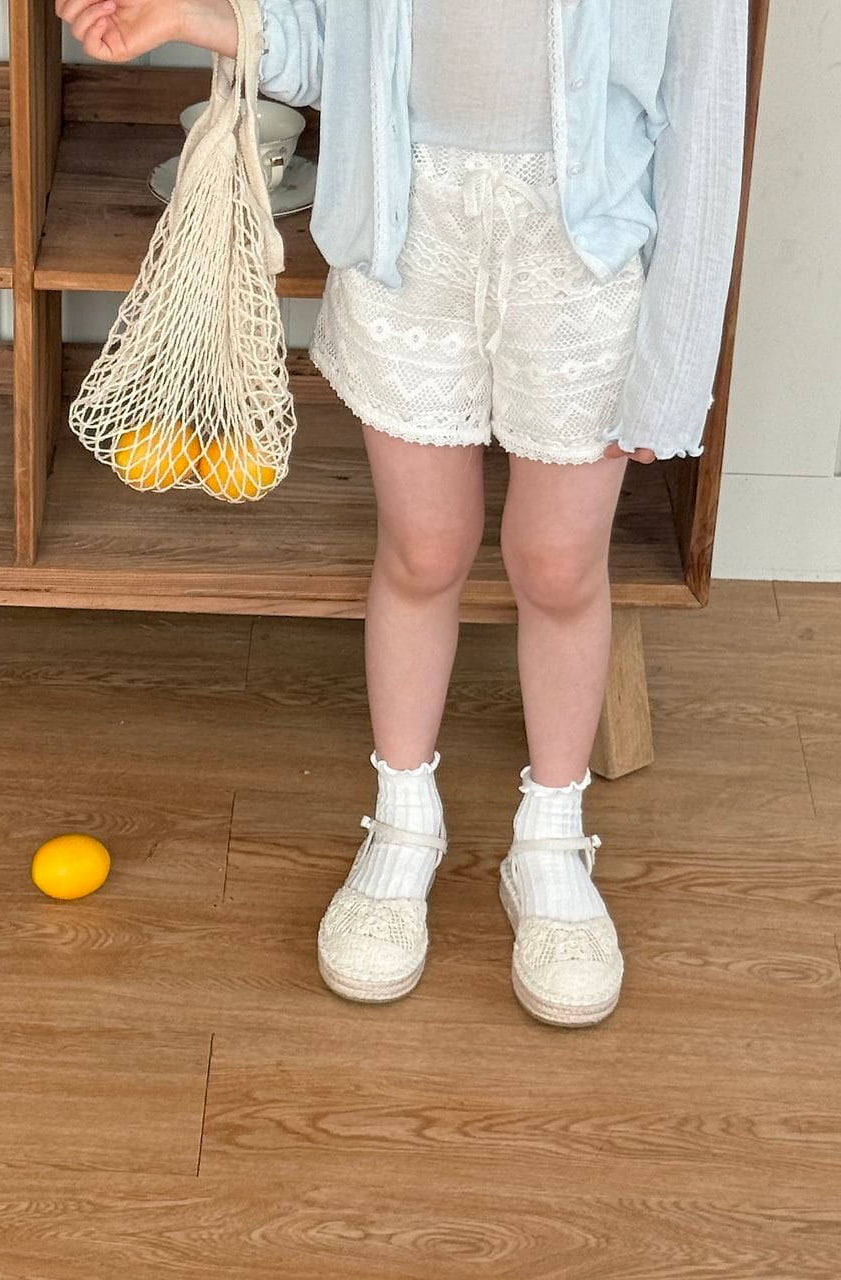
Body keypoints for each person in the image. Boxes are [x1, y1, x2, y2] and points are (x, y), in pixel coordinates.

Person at [56, 0, 748, 1026]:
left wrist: (676, 360)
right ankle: (402, 817)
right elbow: (322, 47)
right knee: (422, 549)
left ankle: (551, 840)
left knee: (559, 565)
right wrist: (197, 19)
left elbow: (704, 117)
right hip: (408, 230)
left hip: (584, 257)